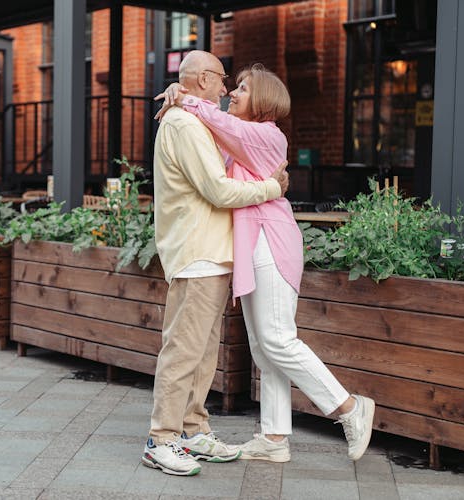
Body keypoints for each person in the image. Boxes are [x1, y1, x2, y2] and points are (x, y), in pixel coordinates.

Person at [155, 62, 375, 464]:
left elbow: (215, 119)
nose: (232, 92)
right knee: (263, 345)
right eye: (231, 84)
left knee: (277, 339)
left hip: (271, 242)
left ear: (264, 101)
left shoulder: (266, 136)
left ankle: (347, 407)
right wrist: (178, 88)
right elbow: (212, 123)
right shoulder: (233, 133)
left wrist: (184, 94)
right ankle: (274, 438)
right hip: (248, 245)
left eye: (242, 88)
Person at [143, 51, 291, 477]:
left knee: (204, 353)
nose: (227, 89)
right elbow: (218, 190)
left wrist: (181, 93)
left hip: (210, 253)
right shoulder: (183, 124)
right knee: (183, 351)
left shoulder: (195, 116)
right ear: (205, 79)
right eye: (224, 80)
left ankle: (191, 430)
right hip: (197, 253)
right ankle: (162, 438)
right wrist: (271, 187)